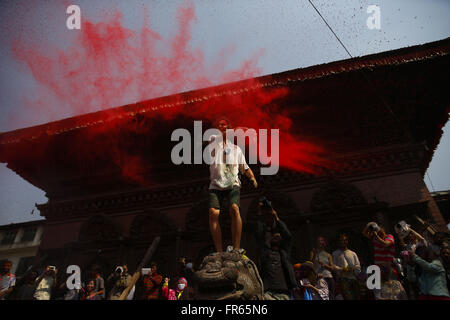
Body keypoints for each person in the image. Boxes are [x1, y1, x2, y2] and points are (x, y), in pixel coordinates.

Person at [207, 117, 258, 253]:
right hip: (215, 184)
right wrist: (238, 130)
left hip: (232, 183)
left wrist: (252, 177)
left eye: (224, 125)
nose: (222, 127)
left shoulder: (236, 149)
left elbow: (245, 167)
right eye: (219, 125)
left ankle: (236, 247)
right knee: (213, 213)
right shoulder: (213, 140)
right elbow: (221, 137)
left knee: (234, 209)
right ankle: (219, 250)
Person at [255, 200, 297, 300]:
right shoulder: (265, 251)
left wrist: (276, 217)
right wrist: (260, 213)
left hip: (284, 292)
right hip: (268, 292)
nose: (276, 236)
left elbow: (288, 236)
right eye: (274, 235)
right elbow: (259, 234)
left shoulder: (283, 253)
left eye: (278, 236)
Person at [332, 234, 361, 300]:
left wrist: (352, 269)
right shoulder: (335, 253)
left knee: (357, 297)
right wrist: (342, 269)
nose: (343, 242)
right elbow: (333, 266)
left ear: (347, 241)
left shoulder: (353, 253)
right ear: (339, 242)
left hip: (353, 278)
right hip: (343, 279)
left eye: (344, 240)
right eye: (341, 240)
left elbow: (358, 266)